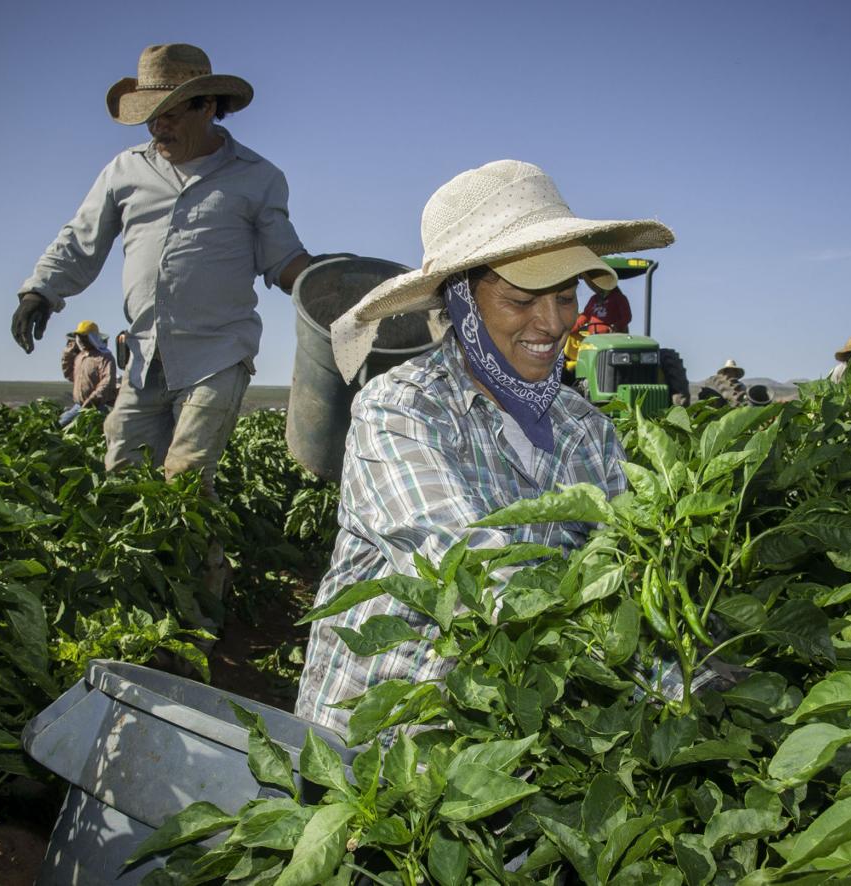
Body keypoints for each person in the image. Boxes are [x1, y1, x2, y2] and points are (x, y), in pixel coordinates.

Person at [295, 159, 722, 737]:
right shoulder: (399, 409)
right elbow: (467, 566)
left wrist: (693, 683)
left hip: (510, 739)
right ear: (463, 301)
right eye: (522, 300)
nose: (552, 323)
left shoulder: (585, 431)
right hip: (378, 744)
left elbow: (623, 571)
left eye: (566, 296)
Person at [10, 43, 328, 494]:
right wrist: (40, 290)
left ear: (208, 107)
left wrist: (329, 282)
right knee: (123, 477)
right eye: (151, 116)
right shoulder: (125, 171)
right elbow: (81, 238)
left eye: (171, 114)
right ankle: (190, 567)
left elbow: (282, 258)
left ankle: (203, 564)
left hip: (216, 353)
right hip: (143, 355)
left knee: (186, 482)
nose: (158, 127)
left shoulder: (257, 177)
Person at [58, 321, 117, 426]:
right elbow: (70, 375)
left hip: (96, 407)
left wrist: (92, 399)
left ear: (92, 338)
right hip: (79, 406)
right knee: (59, 425)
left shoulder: (104, 358)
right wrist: (67, 354)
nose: (81, 341)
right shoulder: (80, 357)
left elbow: (107, 382)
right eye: (79, 337)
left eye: (84, 337)